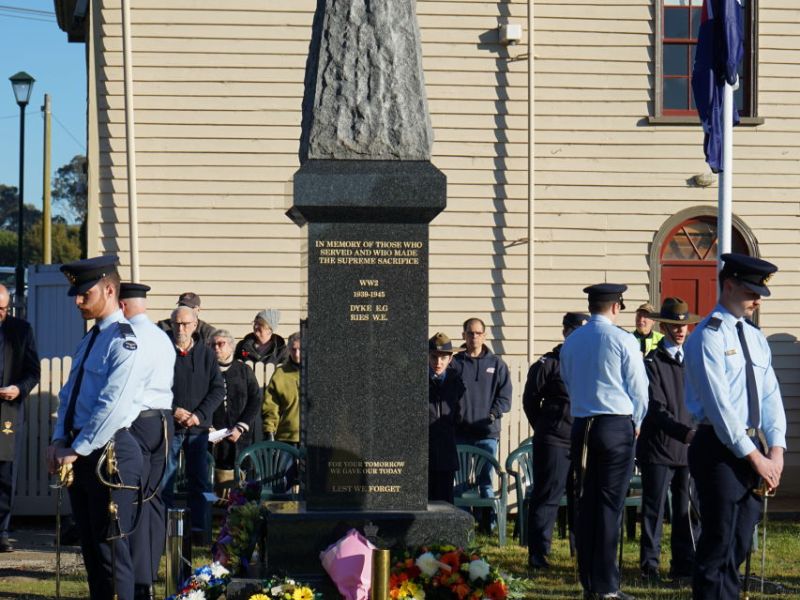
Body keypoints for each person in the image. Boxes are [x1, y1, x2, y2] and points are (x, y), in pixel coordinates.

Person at [683, 254, 787, 599]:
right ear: (728, 285)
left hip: (753, 447)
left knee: (740, 541)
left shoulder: (755, 337)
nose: (757, 300)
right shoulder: (707, 336)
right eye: (751, 292)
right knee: (719, 543)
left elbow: (770, 394)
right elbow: (720, 406)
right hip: (719, 447)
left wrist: (776, 448)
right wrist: (757, 459)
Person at [46, 256, 145, 600]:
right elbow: (70, 395)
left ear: (108, 289)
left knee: (111, 555)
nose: (77, 301)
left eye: (83, 293)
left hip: (110, 456)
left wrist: (76, 448)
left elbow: (112, 406)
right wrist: (59, 439)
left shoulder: (124, 341)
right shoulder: (90, 340)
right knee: (91, 551)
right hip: (84, 452)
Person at [560, 283, 648, 600]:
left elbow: (568, 381)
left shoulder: (572, 341)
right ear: (616, 306)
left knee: (587, 505)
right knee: (609, 506)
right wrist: (636, 422)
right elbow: (639, 389)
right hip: (615, 424)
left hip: (582, 425)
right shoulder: (623, 339)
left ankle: (589, 582)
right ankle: (607, 586)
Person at [637, 298, 700, 583]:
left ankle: (684, 564)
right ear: (663, 327)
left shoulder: (694, 361)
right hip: (659, 448)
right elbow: (656, 408)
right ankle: (649, 566)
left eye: (684, 325)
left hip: (689, 448)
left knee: (686, 511)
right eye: (674, 325)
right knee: (654, 509)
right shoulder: (652, 362)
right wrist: (684, 432)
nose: (680, 330)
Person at [119, 282, 175, 600]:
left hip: (137, 422)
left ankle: (140, 581)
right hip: (161, 421)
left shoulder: (128, 336)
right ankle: (150, 572)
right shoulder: (160, 336)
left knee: (136, 499)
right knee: (153, 500)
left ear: (124, 305)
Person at [522, 311, 588, 570]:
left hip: (582, 438)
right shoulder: (548, 363)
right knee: (548, 495)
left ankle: (579, 550)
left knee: (581, 497)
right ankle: (538, 554)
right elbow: (530, 400)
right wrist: (545, 426)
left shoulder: (589, 361)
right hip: (554, 439)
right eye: (574, 332)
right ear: (565, 332)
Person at [161, 305, 224, 542]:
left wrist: (198, 415)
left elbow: (218, 389)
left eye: (186, 324)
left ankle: (200, 532)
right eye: (177, 323)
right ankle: (166, 531)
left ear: (195, 325)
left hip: (197, 429)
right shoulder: (162, 352)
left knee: (200, 482)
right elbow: (152, 388)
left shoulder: (207, 355)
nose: (181, 328)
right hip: (170, 427)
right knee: (165, 479)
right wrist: (174, 410)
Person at [451, 317, 512, 529]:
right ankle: (462, 525)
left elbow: (505, 398)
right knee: (459, 482)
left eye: (478, 333)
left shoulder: (497, 365)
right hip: (460, 433)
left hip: (487, 434)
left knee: (485, 480)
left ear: (484, 336)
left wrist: (492, 415)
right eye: (470, 333)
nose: (474, 336)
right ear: (463, 335)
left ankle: (489, 524)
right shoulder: (455, 364)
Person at [0, 284, 40, 553]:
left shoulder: (21, 330)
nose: (0, 313)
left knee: (4, 473)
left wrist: (19, 389)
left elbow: (32, 371)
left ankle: (1, 530)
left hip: (7, 411)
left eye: (3, 308)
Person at [208, 329, 261, 496]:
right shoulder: (205, 372)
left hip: (241, 437)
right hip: (214, 438)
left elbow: (255, 399)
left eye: (221, 344)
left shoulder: (244, 371)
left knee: (241, 487)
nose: (216, 348)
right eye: (213, 345)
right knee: (214, 489)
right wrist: (208, 427)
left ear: (230, 347)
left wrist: (240, 427)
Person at [427, 333, 465, 504]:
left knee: (445, 503)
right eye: (434, 357)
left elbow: (460, 414)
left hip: (446, 453)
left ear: (450, 359)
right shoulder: (417, 381)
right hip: (423, 453)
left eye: (443, 357)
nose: (438, 362)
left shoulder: (457, 383)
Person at [262, 331, 301, 490]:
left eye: (301, 349)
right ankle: (283, 513)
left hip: (314, 438)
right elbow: (271, 406)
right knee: (282, 483)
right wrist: (269, 431)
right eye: (293, 349)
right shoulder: (280, 374)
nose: (297, 354)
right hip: (286, 437)